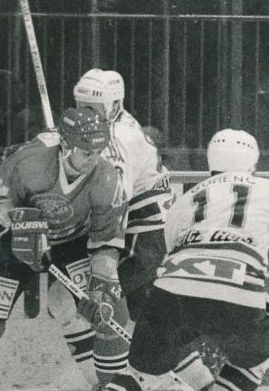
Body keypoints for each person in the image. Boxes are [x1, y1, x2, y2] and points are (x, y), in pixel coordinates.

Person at [105, 129, 269, 391]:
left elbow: (173, 254)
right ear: (253, 163)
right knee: (257, 357)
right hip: (237, 297)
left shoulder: (183, 201)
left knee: (141, 372)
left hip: (170, 295)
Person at [0, 106, 130, 390]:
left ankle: (112, 386)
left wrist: (101, 288)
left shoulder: (107, 178)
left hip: (72, 241)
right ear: (67, 144)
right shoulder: (29, 159)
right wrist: (19, 219)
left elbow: (106, 241)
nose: (93, 160)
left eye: (99, 153)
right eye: (87, 152)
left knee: (111, 314)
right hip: (14, 240)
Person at [73, 69, 216, 387]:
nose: (87, 114)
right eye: (81, 106)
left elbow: (112, 204)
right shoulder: (114, 127)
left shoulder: (119, 140)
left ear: (114, 106)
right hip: (154, 235)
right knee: (156, 324)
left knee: (88, 300)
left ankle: (109, 382)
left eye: (93, 108)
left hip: (145, 238)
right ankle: (205, 385)